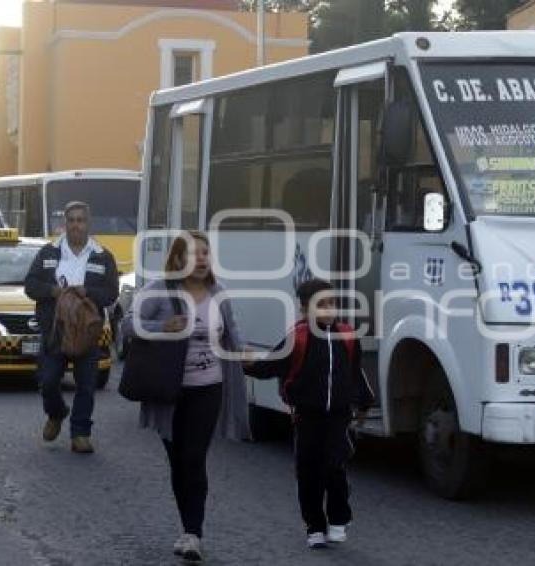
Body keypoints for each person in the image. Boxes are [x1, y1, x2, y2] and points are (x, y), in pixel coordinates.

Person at [121, 231, 250, 562]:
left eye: (205, 253)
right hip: (169, 390)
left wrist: (245, 350)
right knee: (178, 461)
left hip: (209, 387)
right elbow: (127, 325)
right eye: (194, 253)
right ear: (177, 260)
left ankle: (193, 533)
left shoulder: (218, 293)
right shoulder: (159, 291)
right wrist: (163, 325)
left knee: (194, 457)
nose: (202, 259)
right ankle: (187, 526)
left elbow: (233, 333)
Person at [245, 278, 374, 549]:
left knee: (334, 465)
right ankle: (314, 526)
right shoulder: (298, 337)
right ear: (305, 309)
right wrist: (248, 366)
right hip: (306, 415)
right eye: (321, 305)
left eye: (332, 304)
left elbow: (355, 374)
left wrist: (363, 403)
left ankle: (339, 518)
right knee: (308, 472)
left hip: (338, 415)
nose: (328, 310)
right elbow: (274, 365)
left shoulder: (347, 337)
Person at [24, 201, 118, 454]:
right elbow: (30, 285)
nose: (76, 225)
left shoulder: (103, 256)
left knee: (87, 385)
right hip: (55, 331)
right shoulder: (48, 252)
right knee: (49, 381)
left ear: (89, 223)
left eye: (81, 220)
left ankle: (80, 434)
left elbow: (111, 294)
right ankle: (56, 413)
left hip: (87, 332)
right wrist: (53, 291)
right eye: (72, 220)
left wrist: (88, 292)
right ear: (65, 224)